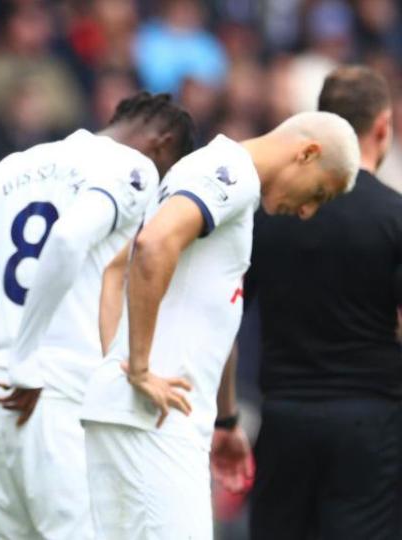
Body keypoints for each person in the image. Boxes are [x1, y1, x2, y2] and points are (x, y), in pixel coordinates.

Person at [0, 92, 195, 539]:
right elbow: (65, 240)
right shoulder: (133, 168)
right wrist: (26, 354)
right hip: (60, 399)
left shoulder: (21, 163)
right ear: (162, 143)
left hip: (0, 403)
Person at [82, 111, 360, 539]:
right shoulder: (230, 175)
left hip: (144, 416)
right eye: (319, 193)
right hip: (154, 424)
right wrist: (135, 367)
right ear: (307, 153)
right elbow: (152, 246)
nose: (307, 211)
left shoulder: (222, 183)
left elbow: (117, 270)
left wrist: (224, 419)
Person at [247, 66, 402, 539]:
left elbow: (229, 313)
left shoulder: (271, 211)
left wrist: (226, 417)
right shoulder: (394, 217)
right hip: (370, 425)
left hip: (283, 418)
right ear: (383, 126)